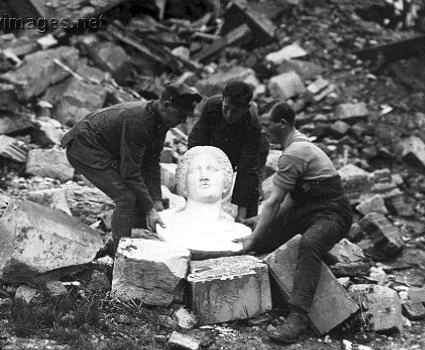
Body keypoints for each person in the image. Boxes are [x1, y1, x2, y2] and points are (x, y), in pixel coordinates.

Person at [234, 102, 353, 344]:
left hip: (333, 214)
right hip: (308, 212)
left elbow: (274, 201)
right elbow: (291, 200)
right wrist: (260, 226)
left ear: (283, 124)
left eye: (268, 126)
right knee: (267, 238)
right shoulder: (294, 147)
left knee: (309, 244)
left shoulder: (295, 152)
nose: (264, 131)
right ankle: (319, 257)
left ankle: (298, 317)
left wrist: (253, 238)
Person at [61, 83, 202, 248]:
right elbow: (130, 173)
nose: (183, 121)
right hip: (85, 146)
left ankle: (134, 234)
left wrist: (155, 200)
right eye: (181, 115)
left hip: (106, 147)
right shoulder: (139, 121)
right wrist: (150, 208)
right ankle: (121, 251)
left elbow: (151, 163)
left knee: (143, 197)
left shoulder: (161, 122)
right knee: (126, 197)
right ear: (166, 106)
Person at [188, 81, 269, 220]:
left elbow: (246, 170)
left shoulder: (252, 125)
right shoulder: (212, 107)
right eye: (226, 108)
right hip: (217, 146)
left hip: (251, 151)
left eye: (235, 111)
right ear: (222, 101)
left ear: (245, 108)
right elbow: (197, 141)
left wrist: (240, 214)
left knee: (251, 189)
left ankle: (248, 225)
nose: (229, 114)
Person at [156, 146, 251, 254]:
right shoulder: (166, 223)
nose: (204, 176)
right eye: (195, 170)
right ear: (183, 183)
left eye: (212, 170)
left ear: (226, 181)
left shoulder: (240, 232)